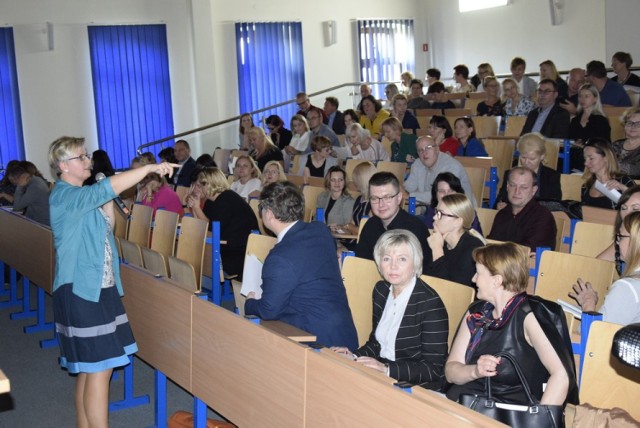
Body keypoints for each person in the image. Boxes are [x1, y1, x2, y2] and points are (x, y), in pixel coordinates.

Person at [48, 136, 178, 427]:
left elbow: (109, 228)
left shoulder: (82, 193)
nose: (88, 162)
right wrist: (149, 169)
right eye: (80, 157)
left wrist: (106, 202)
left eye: (86, 156)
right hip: (80, 291)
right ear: (62, 166)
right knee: (99, 369)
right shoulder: (65, 196)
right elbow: (109, 187)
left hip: (99, 287)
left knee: (90, 368)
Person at [445, 242, 577, 407]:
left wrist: (537, 422)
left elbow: (561, 376)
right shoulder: (476, 313)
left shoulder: (528, 316)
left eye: (478, 273)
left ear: (497, 281)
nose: (473, 279)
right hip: (467, 402)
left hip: (509, 413)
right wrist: (475, 371)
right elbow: (451, 371)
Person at [245, 181, 358, 349]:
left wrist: (250, 302)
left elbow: (269, 310)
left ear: (268, 214)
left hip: (316, 342)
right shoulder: (320, 230)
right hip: (344, 332)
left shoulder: (279, 258)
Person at [332, 230, 449, 390]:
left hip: (415, 386)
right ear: (379, 263)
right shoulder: (381, 290)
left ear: (415, 262)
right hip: (382, 375)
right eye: (387, 259)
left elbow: (433, 369)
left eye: (402, 259)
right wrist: (353, 356)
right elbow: (377, 343)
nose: (393, 266)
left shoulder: (430, 304)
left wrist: (387, 370)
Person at [570, 211, 640, 325]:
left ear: (636, 241)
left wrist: (588, 304)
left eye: (620, 237)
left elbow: (596, 335)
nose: (617, 242)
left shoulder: (627, 288)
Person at [188, 167, 258, 277]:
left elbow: (211, 230)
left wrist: (197, 209)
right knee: (191, 253)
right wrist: (194, 207)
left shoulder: (226, 200)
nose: (198, 188)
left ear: (209, 184)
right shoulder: (211, 201)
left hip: (240, 253)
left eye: (200, 185)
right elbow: (203, 226)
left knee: (197, 257)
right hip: (225, 246)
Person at [355, 172, 433, 272]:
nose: (381, 204)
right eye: (374, 198)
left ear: (399, 198)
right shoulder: (370, 225)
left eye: (387, 197)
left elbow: (423, 271)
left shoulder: (415, 228)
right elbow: (361, 265)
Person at [488, 167, 557, 251]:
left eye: (523, 187)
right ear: (507, 187)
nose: (517, 191)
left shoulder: (543, 217)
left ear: (533, 190)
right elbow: (491, 245)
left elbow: (526, 253)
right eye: (513, 185)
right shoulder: (502, 214)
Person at [425, 194, 486, 288]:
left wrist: (437, 250)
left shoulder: (473, 249)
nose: (434, 217)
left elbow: (452, 291)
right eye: (436, 212)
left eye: (441, 214)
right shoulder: (438, 240)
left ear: (458, 222)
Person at [404, 136, 477, 207]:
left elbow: (442, 195)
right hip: (432, 211)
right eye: (420, 150)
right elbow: (408, 188)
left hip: (458, 212)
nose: (424, 153)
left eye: (428, 148)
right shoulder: (417, 163)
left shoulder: (451, 166)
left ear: (437, 149)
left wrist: (411, 195)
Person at [495, 133, 561, 209]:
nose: (526, 162)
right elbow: (501, 199)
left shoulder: (551, 176)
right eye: (523, 157)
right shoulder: (510, 174)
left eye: (532, 159)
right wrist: (499, 205)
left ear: (542, 156)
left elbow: (555, 205)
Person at [581, 138, 634, 210]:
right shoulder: (586, 186)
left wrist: (623, 188)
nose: (586, 163)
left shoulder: (624, 181)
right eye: (585, 159)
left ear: (606, 158)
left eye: (591, 158)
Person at [568, 83, 611, 171]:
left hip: (593, 158)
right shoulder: (575, 120)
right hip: (574, 155)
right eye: (580, 96)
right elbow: (569, 138)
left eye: (587, 96)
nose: (582, 99)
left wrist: (583, 144)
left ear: (595, 99)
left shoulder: (601, 120)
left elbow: (603, 144)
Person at [597, 186, 640, 272]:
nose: (627, 213)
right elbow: (597, 264)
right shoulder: (623, 237)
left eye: (635, 209)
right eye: (623, 208)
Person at [612, 107, 640, 178]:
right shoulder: (616, 144)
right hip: (611, 184)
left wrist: (613, 166)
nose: (633, 126)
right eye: (629, 123)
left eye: (638, 124)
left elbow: (637, 170)